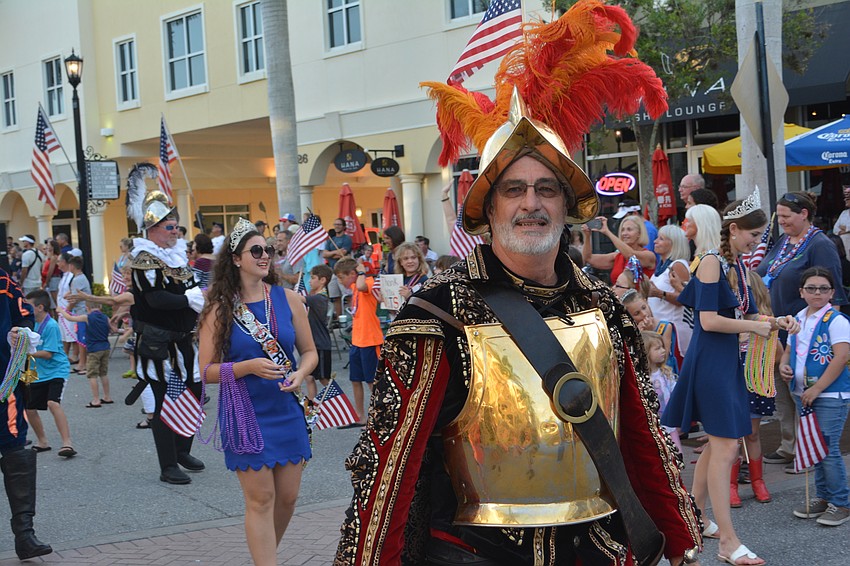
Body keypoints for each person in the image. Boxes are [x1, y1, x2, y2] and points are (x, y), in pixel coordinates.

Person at [336, 92, 701, 565]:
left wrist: (677, 538)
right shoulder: (436, 315)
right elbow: (391, 467)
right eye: (514, 190)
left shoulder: (601, 304)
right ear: (489, 210)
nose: (532, 203)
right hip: (479, 551)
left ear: (566, 206)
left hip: (596, 546)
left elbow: (641, 436)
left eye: (547, 189)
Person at [663, 194, 798, 566]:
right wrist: (757, 325)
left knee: (720, 445)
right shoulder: (711, 262)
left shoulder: (736, 264)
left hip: (725, 362)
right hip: (712, 363)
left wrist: (777, 321)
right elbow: (709, 321)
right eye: (752, 235)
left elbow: (751, 312)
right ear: (733, 229)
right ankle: (728, 540)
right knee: (726, 448)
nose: (757, 242)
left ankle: (694, 514)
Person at [198, 218, 316, 566]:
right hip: (246, 412)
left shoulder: (289, 299)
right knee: (261, 499)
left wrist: (301, 372)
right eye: (257, 251)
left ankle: (263, 557)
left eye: (269, 250)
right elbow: (206, 371)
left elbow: (309, 352)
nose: (265, 256)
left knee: (288, 498)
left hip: (287, 406)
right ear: (236, 259)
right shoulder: (219, 309)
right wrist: (246, 367)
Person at [754, 192, 847, 471]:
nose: (780, 221)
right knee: (783, 389)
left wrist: (830, 336)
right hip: (777, 328)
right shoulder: (784, 241)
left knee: (804, 390)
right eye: (779, 216)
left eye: (786, 216)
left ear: (804, 213)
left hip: (807, 331)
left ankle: (808, 449)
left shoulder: (820, 244)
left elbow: (835, 292)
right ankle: (789, 444)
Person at [127, 185, 205, 485]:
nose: (176, 231)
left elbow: (188, 286)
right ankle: (167, 464)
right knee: (163, 402)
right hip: (159, 345)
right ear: (154, 229)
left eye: (176, 226)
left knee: (195, 395)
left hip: (184, 341)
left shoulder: (176, 255)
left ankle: (182, 449)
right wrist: (189, 300)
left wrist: (199, 294)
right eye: (170, 226)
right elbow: (156, 299)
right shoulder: (144, 258)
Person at [780, 267, 850, 527]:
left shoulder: (837, 320)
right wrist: (783, 366)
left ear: (832, 292)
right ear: (802, 292)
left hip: (829, 394)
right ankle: (824, 497)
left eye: (823, 288)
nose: (817, 293)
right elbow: (788, 351)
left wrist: (818, 387)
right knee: (815, 448)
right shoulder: (798, 317)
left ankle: (841, 502)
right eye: (811, 288)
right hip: (802, 393)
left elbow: (842, 357)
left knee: (828, 449)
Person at [0, 268, 52, 559]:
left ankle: (24, 534)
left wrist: (21, 330)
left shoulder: (2, 281)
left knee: (15, 448)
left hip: (3, 384)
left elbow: (24, 314)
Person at [731, 271, 782, 508]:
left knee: (751, 433)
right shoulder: (727, 318)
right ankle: (730, 485)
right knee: (731, 436)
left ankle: (757, 480)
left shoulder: (763, 321)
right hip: (730, 380)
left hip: (753, 382)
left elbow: (778, 355)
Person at [22, 290, 75, 457]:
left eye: (28, 306)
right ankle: (42, 441)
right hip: (38, 372)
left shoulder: (51, 325)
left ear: (40, 307)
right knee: (29, 408)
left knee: (53, 403)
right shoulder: (30, 324)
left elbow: (48, 353)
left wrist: (25, 353)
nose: (25, 309)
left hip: (56, 371)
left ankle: (67, 443)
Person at [333, 258, 381, 427]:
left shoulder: (366, 281)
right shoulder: (353, 287)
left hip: (370, 339)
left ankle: (380, 416)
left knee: (371, 381)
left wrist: (361, 271)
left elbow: (362, 286)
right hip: (357, 340)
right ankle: (360, 416)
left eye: (341, 277)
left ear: (352, 274)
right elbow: (355, 287)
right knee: (355, 379)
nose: (340, 281)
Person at [59, 300, 113, 407]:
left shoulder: (87, 317)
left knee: (92, 375)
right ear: (100, 306)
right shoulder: (106, 317)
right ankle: (107, 396)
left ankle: (96, 400)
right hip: (105, 348)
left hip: (94, 349)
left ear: (87, 308)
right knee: (103, 373)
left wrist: (61, 311)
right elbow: (113, 329)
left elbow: (70, 318)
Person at [648, 225, 692, 352]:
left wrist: (658, 293)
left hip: (674, 330)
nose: (655, 241)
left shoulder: (678, 265)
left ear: (673, 243)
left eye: (661, 239)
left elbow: (685, 298)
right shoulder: (662, 265)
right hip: (661, 327)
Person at [582, 214, 656, 284]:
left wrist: (607, 232)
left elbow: (631, 256)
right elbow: (588, 258)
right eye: (622, 230)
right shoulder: (618, 256)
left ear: (639, 233)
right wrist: (587, 236)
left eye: (629, 230)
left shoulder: (649, 256)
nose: (624, 233)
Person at [642, 330, 680, 451]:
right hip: (653, 425)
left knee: (676, 452)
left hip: (669, 423)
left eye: (662, 347)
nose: (663, 350)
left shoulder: (665, 373)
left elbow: (675, 391)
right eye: (657, 348)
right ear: (646, 352)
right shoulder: (643, 378)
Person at [302, 264, 333, 401]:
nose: (309, 280)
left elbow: (299, 299)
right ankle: (312, 405)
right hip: (312, 343)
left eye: (313, 277)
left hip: (321, 344)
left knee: (324, 379)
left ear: (322, 280)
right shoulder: (314, 297)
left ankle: (336, 403)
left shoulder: (319, 298)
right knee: (308, 376)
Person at [66, 255, 91, 375]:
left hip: (81, 312)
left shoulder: (77, 279)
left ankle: (83, 363)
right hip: (81, 311)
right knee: (81, 339)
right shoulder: (81, 278)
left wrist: (66, 311)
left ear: (71, 266)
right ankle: (82, 362)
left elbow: (74, 299)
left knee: (82, 340)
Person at [393, 242, 429, 308]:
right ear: (400, 262)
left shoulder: (424, 280)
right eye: (406, 258)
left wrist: (410, 297)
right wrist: (384, 301)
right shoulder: (398, 280)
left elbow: (427, 306)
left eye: (413, 257)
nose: (410, 261)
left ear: (419, 260)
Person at [832, 186, 850, 261]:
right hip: (844, 248)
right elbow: (835, 229)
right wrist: (847, 230)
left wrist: (844, 228)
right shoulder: (844, 213)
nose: (845, 200)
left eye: (848, 198)